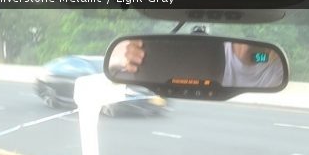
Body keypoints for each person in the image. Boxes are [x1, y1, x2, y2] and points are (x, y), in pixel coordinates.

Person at [108, 38, 284, 89]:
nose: (244, 48)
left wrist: (265, 57)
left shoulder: (272, 68)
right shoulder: (213, 47)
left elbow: (252, 55)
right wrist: (130, 54)